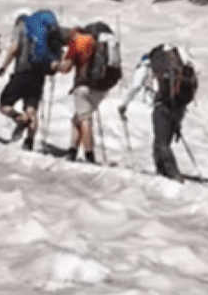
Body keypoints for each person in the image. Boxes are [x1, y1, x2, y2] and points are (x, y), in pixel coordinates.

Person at [118, 43, 197, 180]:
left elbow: (136, 86)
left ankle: (173, 173)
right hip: (179, 106)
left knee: (162, 143)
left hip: (162, 106)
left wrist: (123, 105)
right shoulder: (177, 64)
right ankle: (161, 171)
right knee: (162, 140)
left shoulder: (147, 67)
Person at [0, 10, 62, 151]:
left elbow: (14, 48)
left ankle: (20, 118)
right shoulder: (42, 32)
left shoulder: (21, 27)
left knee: (3, 104)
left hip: (22, 72)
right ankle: (29, 142)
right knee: (31, 109)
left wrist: (3, 67)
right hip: (39, 74)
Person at [51, 25, 103, 162]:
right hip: (101, 88)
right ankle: (72, 151)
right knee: (77, 119)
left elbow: (66, 68)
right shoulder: (96, 42)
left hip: (84, 86)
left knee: (84, 119)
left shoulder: (77, 42)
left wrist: (56, 65)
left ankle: (89, 155)